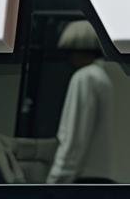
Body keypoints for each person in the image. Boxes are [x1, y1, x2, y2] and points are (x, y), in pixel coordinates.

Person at [46, 20, 115, 183]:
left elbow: (74, 138)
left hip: (82, 179)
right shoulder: (102, 77)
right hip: (101, 177)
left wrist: (55, 180)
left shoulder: (85, 77)